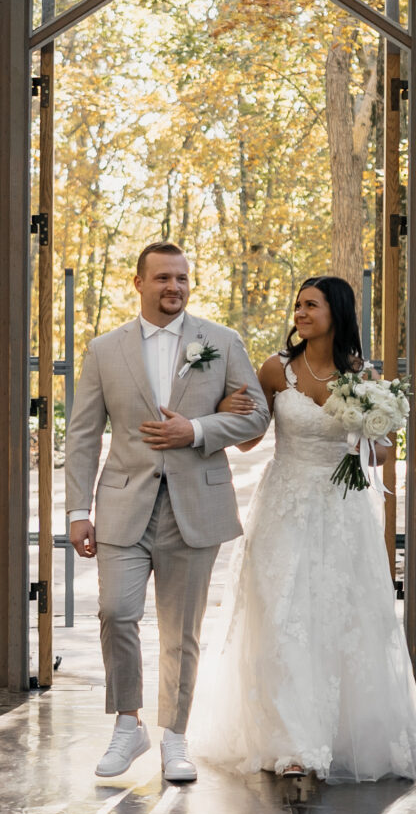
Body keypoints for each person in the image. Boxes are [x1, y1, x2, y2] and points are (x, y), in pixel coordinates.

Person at [191, 275, 416, 783]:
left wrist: (368, 435)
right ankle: (290, 742)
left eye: (311, 305)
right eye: (298, 305)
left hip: (342, 507)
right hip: (283, 504)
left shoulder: (360, 374)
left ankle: (335, 733)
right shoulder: (274, 370)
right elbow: (248, 438)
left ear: (336, 312)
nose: (300, 313)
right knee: (280, 613)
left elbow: (387, 448)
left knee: (337, 616)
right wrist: (222, 411)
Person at [63, 243, 269, 784]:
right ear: (138, 283)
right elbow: (82, 434)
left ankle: (175, 738)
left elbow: (257, 417)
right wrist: (77, 510)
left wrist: (196, 430)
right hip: (121, 504)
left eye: (181, 278)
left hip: (194, 504)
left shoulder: (221, 343)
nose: (173, 287)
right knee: (116, 613)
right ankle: (127, 725)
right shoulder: (105, 350)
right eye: (162, 278)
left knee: (182, 632)